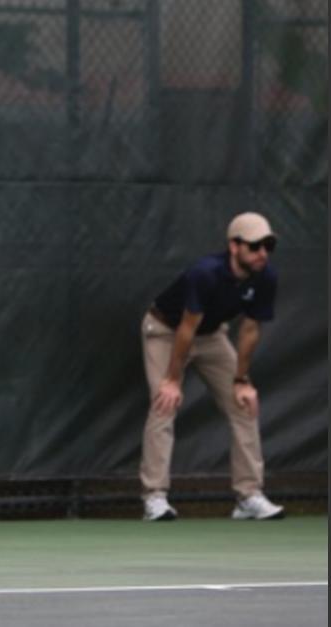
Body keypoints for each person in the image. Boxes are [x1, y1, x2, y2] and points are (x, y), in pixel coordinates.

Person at [139, 212, 285, 522]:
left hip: (211, 335)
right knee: (164, 403)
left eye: (268, 246)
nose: (263, 254)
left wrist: (241, 379)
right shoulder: (204, 273)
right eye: (256, 246)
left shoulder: (265, 276)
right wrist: (173, 379)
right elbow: (185, 330)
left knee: (244, 404)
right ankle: (155, 498)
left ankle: (248, 497)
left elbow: (249, 330)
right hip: (166, 330)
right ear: (234, 246)